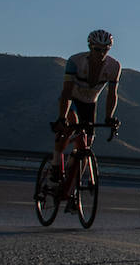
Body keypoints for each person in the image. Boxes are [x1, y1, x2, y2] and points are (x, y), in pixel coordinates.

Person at [52, 29, 121, 210]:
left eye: (105, 50)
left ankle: (73, 189)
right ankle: (55, 162)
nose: (101, 54)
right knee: (69, 128)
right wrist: (62, 117)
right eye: (98, 50)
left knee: (86, 146)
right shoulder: (75, 61)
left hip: (90, 103)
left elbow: (112, 95)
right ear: (90, 47)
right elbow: (66, 91)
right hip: (71, 100)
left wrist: (109, 117)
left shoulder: (114, 67)